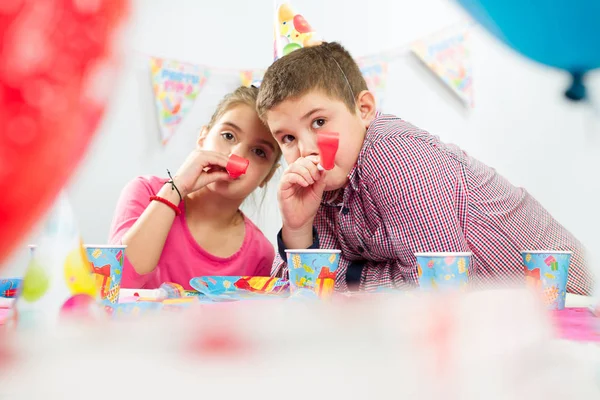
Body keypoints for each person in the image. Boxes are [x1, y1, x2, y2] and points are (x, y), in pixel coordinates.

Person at [256, 41, 593, 295]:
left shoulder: (394, 154)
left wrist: (350, 276)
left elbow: (436, 287)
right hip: (488, 327)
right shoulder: (323, 185)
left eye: (318, 121)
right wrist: (297, 230)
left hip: (569, 304)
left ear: (364, 109)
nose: (305, 149)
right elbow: (302, 294)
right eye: (287, 138)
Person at [109, 86, 280, 290]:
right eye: (228, 136)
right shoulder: (144, 192)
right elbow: (119, 283)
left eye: (259, 152)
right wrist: (177, 187)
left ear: (267, 175)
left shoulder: (261, 253)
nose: (236, 155)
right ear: (202, 138)